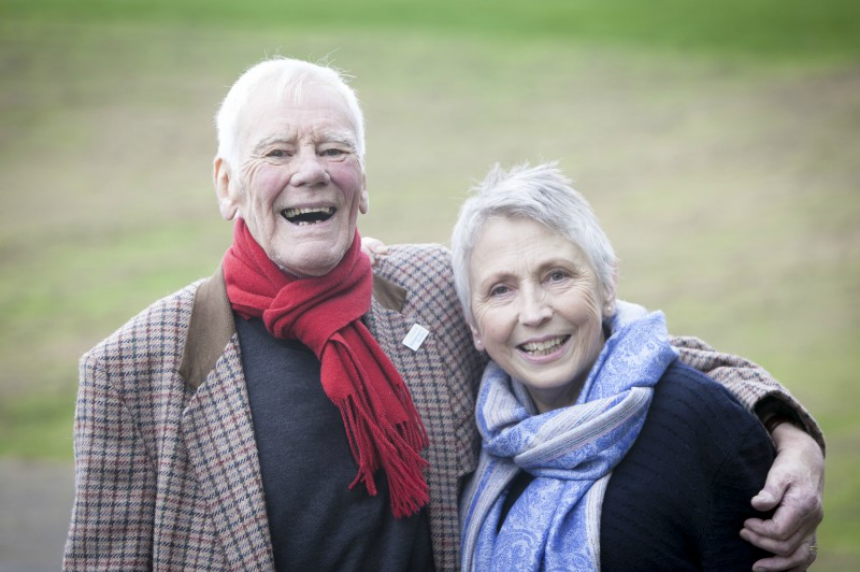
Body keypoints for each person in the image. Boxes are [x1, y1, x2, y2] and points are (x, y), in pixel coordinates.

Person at [63, 57, 823, 572]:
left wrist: (786, 432)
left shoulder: (427, 287)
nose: (310, 170)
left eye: (334, 148)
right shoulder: (138, 366)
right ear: (227, 184)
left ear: (362, 181)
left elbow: (622, 345)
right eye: (276, 152)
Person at [452, 162, 820, 571]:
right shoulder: (475, 433)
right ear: (474, 326)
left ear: (608, 287)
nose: (534, 312)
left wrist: (791, 432)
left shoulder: (703, 425)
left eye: (556, 276)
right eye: (500, 290)